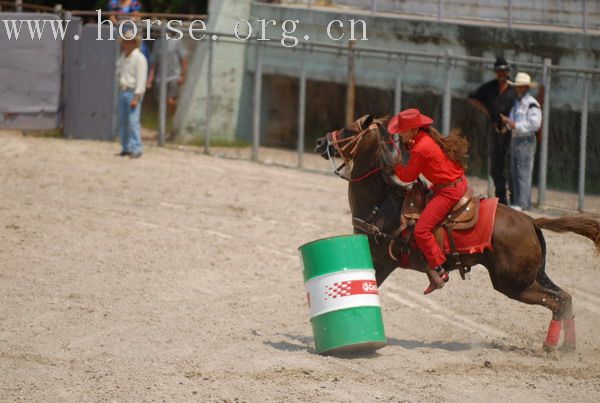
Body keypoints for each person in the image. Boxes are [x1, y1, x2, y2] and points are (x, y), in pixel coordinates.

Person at [388, 108, 469, 295]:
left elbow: (408, 176)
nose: (400, 134)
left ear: (412, 130)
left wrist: (396, 166)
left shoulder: (421, 148)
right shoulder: (423, 138)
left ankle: (440, 269)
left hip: (448, 190)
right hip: (450, 183)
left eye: (402, 131)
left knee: (421, 230)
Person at [468, 57, 517, 205]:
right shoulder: (490, 87)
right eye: (499, 71)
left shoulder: (514, 88)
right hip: (496, 130)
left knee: (512, 164)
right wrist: (488, 112)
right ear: (496, 72)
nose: (502, 74)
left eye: (504, 71)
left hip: (512, 131)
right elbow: (472, 97)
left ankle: (515, 197)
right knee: (496, 166)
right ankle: (501, 197)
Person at [500, 72, 542, 211]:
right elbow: (513, 119)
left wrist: (515, 125)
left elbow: (535, 124)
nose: (517, 89)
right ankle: (518, 202)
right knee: (515, 172)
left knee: (523, 172)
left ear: (525, 87)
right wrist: (507, 125)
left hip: (526, 140)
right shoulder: (518, 103)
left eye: (519, 86)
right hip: (516, 139)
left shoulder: (532, 104)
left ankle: (523, 203)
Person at [116, 30, 147, 159]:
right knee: (123, 121)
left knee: (133, 121)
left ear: (135, 43)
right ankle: (126, 147)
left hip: (132, 91)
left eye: (130, 41)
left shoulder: (139, 58)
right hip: (124, 91)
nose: (127, 44)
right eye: (125, 41)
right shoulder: (123, 57)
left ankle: (136, 147)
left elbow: (141, 78)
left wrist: (137, 95)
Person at [147, 37, 189, 124]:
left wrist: (182, 75)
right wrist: (150, 79)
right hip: (160, 79)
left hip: (173, 77)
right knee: (162, 105)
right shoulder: (157, 43)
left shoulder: (176, 41)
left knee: (170, 101)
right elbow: (153, 63)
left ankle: (175, 120)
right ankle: (163, 129)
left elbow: (184, 58)